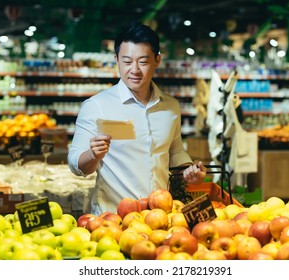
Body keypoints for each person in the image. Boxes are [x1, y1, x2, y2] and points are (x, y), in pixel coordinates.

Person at [67, 22, 206, 216]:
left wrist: (189, 170)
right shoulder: (96, 106)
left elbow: (174, 152)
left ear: (157, 60)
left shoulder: (170, 107)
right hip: (113, 219)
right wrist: (93, 155)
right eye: (127, 61)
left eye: (143, 61)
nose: (135, 70)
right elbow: (75, 164)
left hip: (158, 217)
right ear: (116, 60)